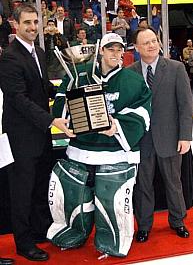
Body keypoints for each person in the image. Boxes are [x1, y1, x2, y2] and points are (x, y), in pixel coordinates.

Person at [47, 32, 151, 257]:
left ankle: (112, 243)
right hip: (81, 150)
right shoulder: (79, 75)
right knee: (74, 195)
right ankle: (71, 234)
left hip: (115, 154)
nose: (116, 54)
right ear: (101, 51)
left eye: (119, 49)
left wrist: (116, 127)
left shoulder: (132, 80)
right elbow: (61, 104)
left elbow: (142, 112)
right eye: (111, 49)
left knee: (111, 199)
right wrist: (68, 99)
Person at [0, 3, 72, 262]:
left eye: (35, 22)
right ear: (15, 24)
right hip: (21, 137)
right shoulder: (9, 57)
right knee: (22, 190)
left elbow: (42, 90)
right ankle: (24, 243)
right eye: (27, 22)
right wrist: (52, 120)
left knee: (40, 186)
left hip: (40, 135)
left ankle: (40, 230)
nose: (32, 27)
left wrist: (70, 91)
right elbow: (19, 100)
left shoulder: (38, 52)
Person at [130, 27, 193, 243]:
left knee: (173, 183)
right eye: (145, 42)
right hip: (142, 141)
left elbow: (186, 105)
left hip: (170, 137)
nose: (151, 45)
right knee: (143, 185)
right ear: (137, 48)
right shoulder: (130, 72)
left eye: (154, 40)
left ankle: (178, 221)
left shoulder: (176, 68)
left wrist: (185, 136)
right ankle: (144, 226)